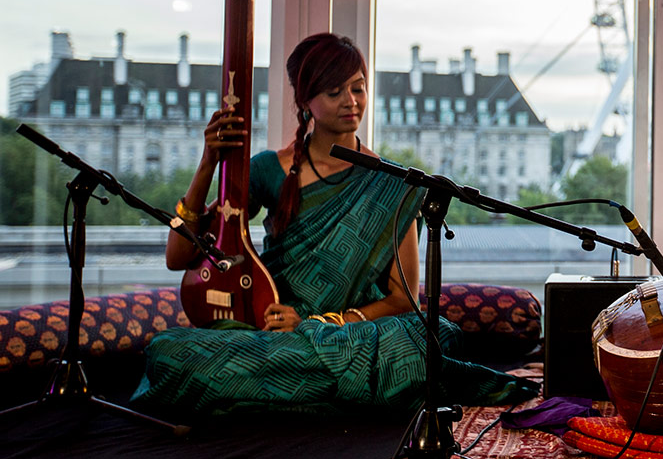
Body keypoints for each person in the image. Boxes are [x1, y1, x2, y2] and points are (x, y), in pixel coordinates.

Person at [135, 32, 536, 416]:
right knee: (168, 352)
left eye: (358, 88)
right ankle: (344, 390)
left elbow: (402, 300)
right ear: (307, 100)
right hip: (272, 331)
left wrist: (320, 324)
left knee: (422, 340)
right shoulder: (267, 171)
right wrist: (208, 164)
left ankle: (262, 395)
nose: (352, 101)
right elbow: (179, 256)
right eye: (335, 92)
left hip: (347, 332)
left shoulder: (392, 184)